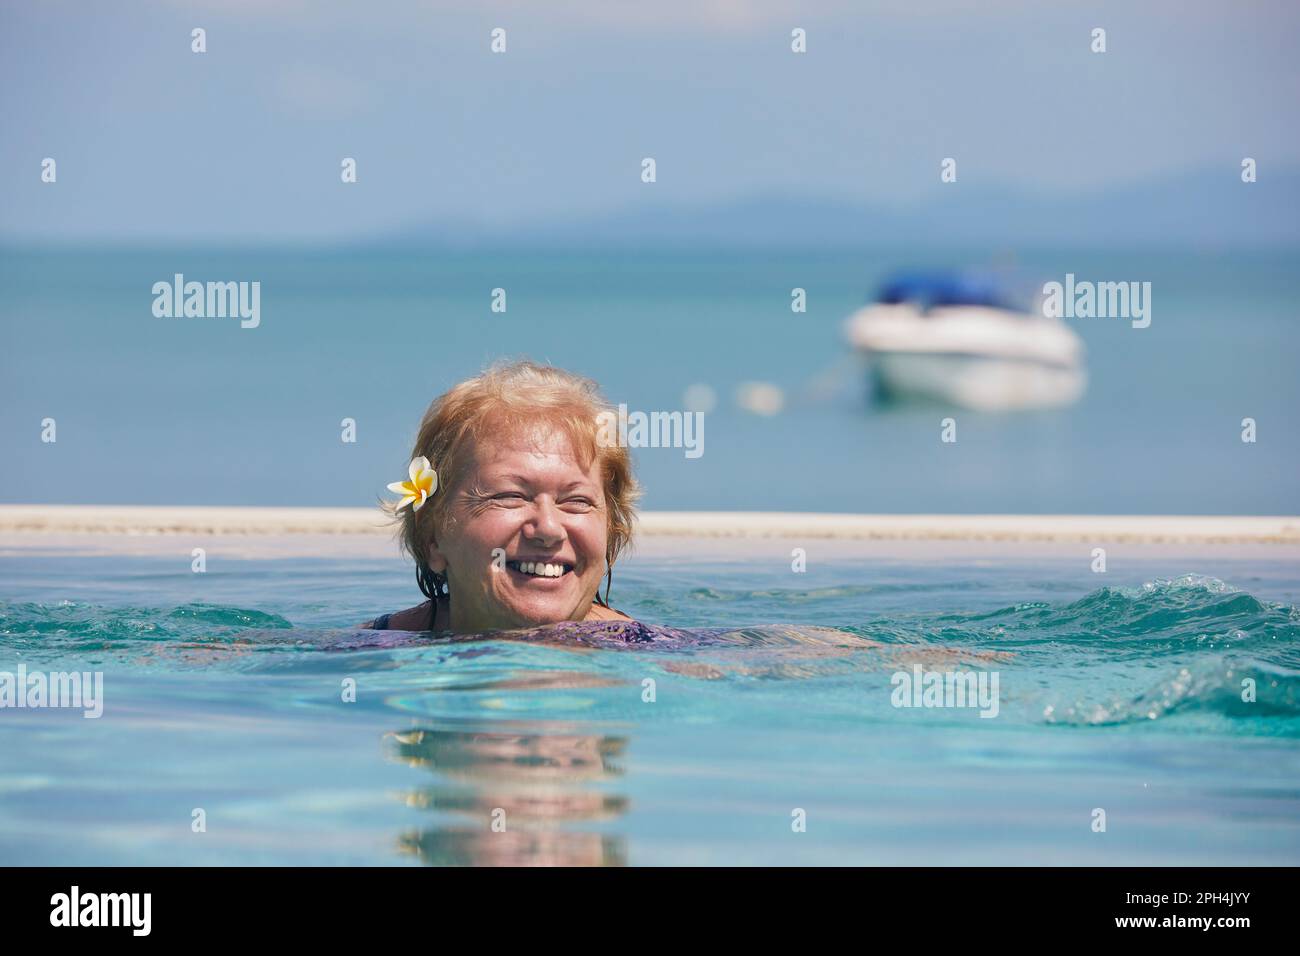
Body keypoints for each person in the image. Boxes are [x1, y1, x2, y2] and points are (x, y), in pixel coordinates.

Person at [363, 360, 639, 633]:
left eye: (577, 501)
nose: (548, 529)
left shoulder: (655, 657)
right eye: (511, 497)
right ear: (432, 539)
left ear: (610, 531)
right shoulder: (369, 655)